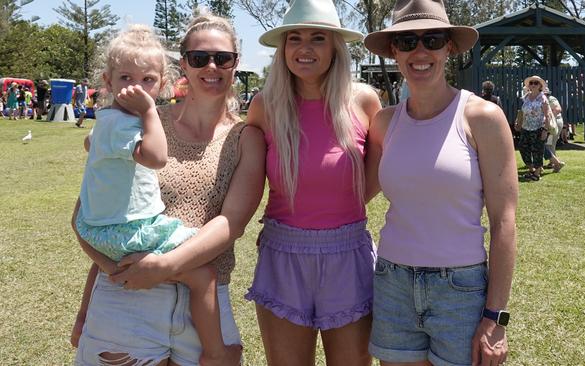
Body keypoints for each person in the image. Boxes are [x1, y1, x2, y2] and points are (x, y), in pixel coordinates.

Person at [71, 13, 265, 366]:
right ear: (182, 68)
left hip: (205, 297)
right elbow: (91, 210)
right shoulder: (140, 121)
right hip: (127, 295)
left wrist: (164, 265)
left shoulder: (247, 138)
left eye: (223, 58)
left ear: (235, 65)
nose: (211, 66)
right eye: (198, 58)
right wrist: (96, 296)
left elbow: (231, 223)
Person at [364, 1, 518, 365]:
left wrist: (495, 317)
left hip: (460, 291)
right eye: (406, 42)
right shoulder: (384, 123)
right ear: (393, 51)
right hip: (392, 283)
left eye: (432, 39)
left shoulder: (482, 117)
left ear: (449, 47)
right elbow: (354, 194)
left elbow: (504, 222)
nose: (420, 52)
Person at [244, 0, 382, 364]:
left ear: (335, 47)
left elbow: (373, 179)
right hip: (282, 256)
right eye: (295, 39)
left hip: (348, 255)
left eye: (318, 38)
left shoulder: (365, 102)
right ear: (283, 48)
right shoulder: (264, 105)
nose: (305, 49)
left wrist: (333, 213)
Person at [515, 75, 552, 181]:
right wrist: (518, 122)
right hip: (526, 128)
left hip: (538, 127)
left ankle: (537, 173)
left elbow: (547, 115)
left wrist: (545, 129)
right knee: (523, 147)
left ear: (540, 85)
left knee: (538, 150)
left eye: (536, 83)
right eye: (531, 83)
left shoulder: (542, 98)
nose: (533, 85)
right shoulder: (526, 97)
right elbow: (522, 111)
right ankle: (531, 169)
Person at [543, 87, 565, 173]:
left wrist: (549, 117)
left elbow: (558, 109)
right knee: (550, 144)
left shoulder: (551, 99)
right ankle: (553, 162)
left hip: (554, 123)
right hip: (552, 123)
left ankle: (555, 163)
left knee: (550, 144)